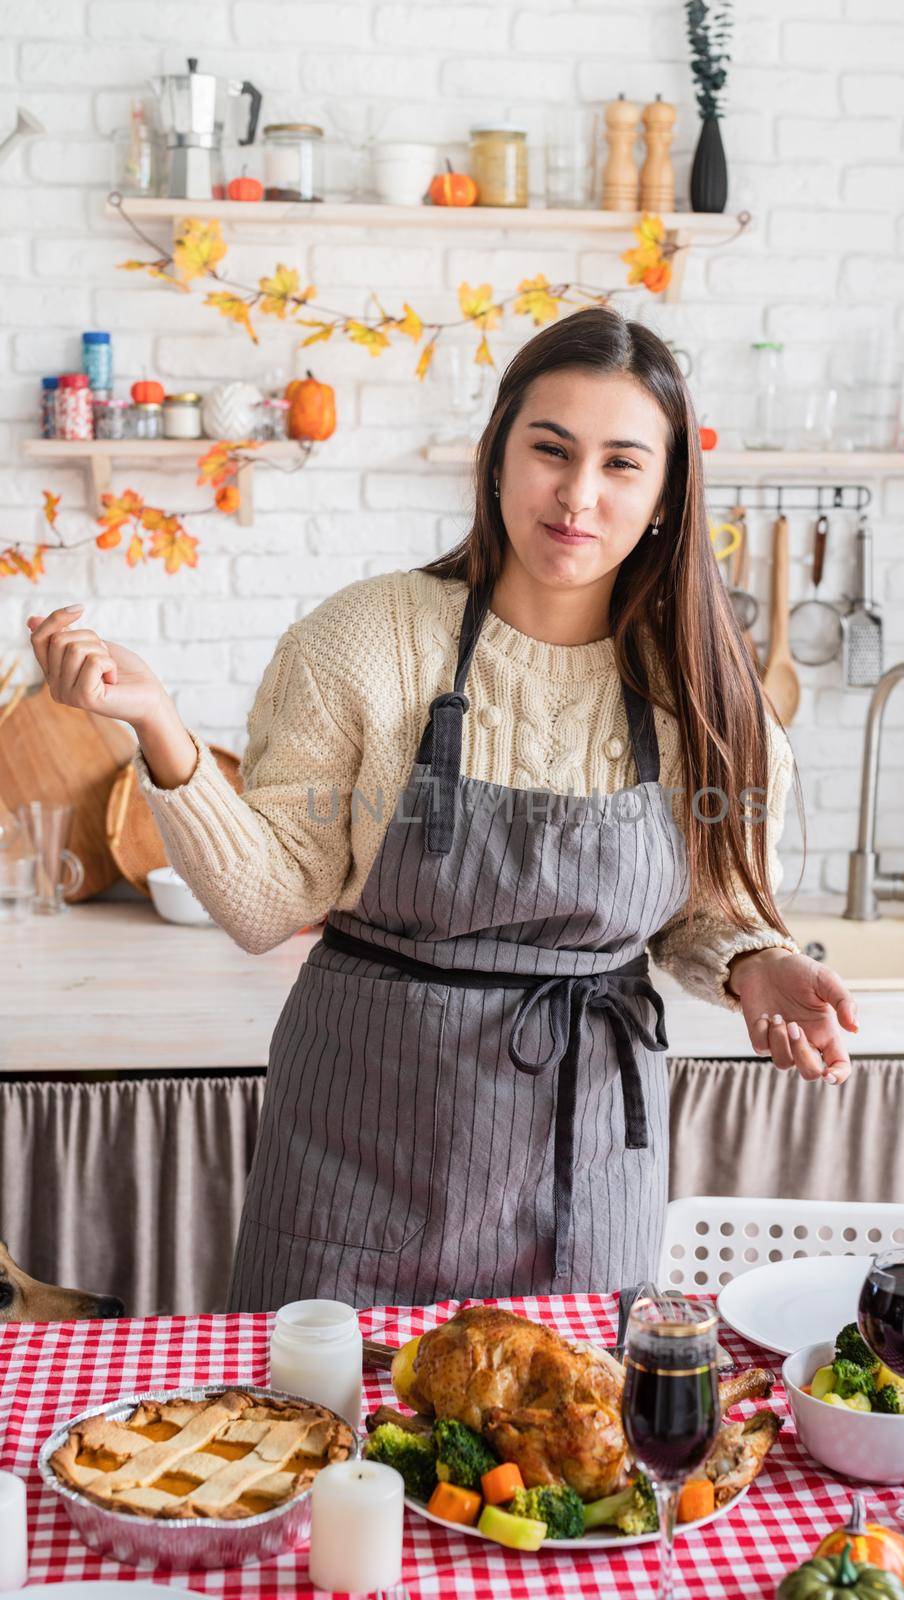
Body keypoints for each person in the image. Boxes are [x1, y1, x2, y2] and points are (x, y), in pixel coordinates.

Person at [26, 306, 858, 1312]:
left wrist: (754, 959)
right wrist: (157, 722)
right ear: (497, 453)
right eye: (550, 449)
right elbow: (265, 903)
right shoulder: (365, 639)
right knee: (319, 1453)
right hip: (355, 1155)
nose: (578, 494)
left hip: (581, 1170)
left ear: (667, 496)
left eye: (621, 464)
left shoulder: (702, 682)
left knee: (567, 1459)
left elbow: (700, 913)